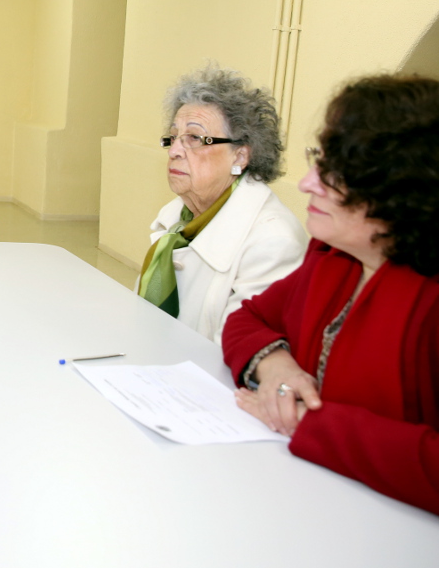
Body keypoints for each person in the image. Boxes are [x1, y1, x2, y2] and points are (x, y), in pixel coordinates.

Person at [223, 74, 439, 514]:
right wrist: (276, 366)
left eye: (337, 174)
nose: (307, 183)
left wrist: (311, 423)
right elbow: (246, 319)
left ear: (405, 193)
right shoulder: (330, 256)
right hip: (308, 495)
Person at [138, 67, 307, 343]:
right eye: (173, 137)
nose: (175, 151)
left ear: (240, 156)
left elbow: (243, 349)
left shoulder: (274, 241)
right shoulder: (176, 216)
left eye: (195, 138)